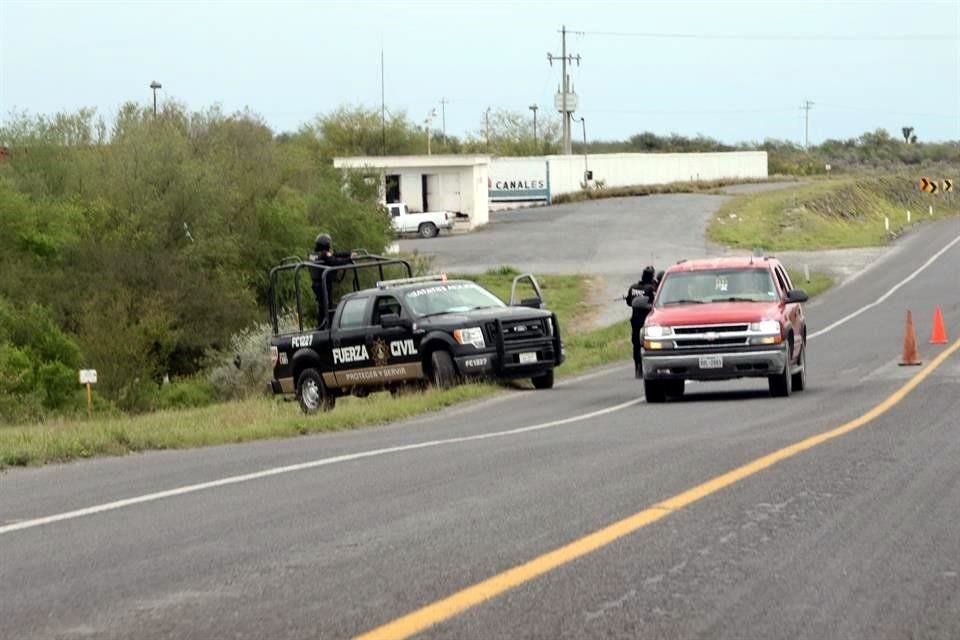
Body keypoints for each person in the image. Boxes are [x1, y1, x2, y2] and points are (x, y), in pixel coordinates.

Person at [308, 233, 354, 326]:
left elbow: (334, 255)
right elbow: (334, 261)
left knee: (323, 307)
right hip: (323, 285)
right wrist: (349, 259)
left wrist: (348, 253)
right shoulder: (324, 254)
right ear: (325, 245)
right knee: (326, 307)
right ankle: (325, 326)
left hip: (317, 284)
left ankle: (323, 325)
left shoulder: (313, 254)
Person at [625, 266, 657, 378]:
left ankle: (638, 367)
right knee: (652, 344)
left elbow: (629, 302)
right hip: (647, 321)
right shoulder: (651, 288)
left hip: (635, 320)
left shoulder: (633, 287)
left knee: (636, 345)